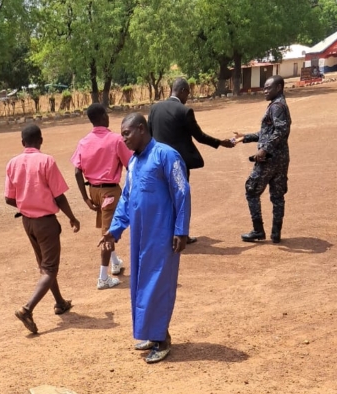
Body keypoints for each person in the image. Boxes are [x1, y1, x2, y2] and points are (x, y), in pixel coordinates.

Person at [100, 114, 191, 364]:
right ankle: (152, 333)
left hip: (162, 235)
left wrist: (181, 230)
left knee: (158, 286)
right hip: (140, 236)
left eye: (127, 133)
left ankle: (162, 340)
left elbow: (182, 192)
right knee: (141, 284)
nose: (124, 139)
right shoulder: (133, 162)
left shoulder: (166, 155)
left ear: (141, 129)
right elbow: (126, 199)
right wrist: (114, 229)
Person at [5, 124, 81, 334]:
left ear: (23, 142)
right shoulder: (46, 161)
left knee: (44, 265)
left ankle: (60, 302)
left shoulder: (12, 163)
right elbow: (59, 195)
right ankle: (27, 309)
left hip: (27, 221)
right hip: (46, 222)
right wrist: (72, 217)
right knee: (50, 268)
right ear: (40, 140)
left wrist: (26, 204)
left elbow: (8, 198)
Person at [148, 77, 235, 243]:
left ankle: (163, 234)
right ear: (182, 91)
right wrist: (220, 142)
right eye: (187, 93)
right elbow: (199, 136)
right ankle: (182, 235)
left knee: (163, 198)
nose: (187, 97)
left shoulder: (155, 108)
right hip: (178, 164)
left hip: (158, 163)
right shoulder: (184, 111)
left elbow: (149, 135)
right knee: (180, 198)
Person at [71, 103, 132, 290]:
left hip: (94, 192)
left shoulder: (84, 141)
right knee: (108, 234)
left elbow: (77, 171)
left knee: (108, 226)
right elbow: (130, 164)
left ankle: (115, 262)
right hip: (110, 192)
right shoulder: (116, 140)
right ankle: (103, 277)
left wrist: (85, 198)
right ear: (104, 116)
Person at [234, 75, 291, 243]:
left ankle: (258, 230)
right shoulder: (279, 104)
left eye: (268, 88)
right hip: (281, 159)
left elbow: (281, 131)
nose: (265, 91)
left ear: (279, 88)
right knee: (277, 196)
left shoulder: (277, 106)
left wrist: (264, 149)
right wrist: (245, 137)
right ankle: (276, 234)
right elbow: (267, 133)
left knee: (251, 190)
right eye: (264, 88)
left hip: (269, 159)